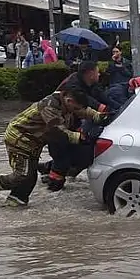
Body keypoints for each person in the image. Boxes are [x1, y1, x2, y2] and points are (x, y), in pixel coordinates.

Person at [0, 88, 106, 207]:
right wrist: (80, 138)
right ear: (69, 101)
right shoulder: (50, 106)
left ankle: (15, 204)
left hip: (33, 142)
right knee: (23, 174)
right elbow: (57, 130)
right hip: (19, 139)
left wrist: (100, 116)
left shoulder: (68, 103)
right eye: (75, 108)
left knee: (30, 178)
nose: (76, 111)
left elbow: (83, 110)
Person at [45, 61, 109, 191]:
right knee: (62, 156)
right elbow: (87, 103)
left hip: (71, 124)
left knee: (80, 153)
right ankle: (53, 183)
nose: (99, 74)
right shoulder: (73, 86)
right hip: (59, 127)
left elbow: (101, 97)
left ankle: (50, 170)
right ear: (90, 74)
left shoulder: (90, 84)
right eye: (97, 72)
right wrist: (101, 109)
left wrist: (111, 109)